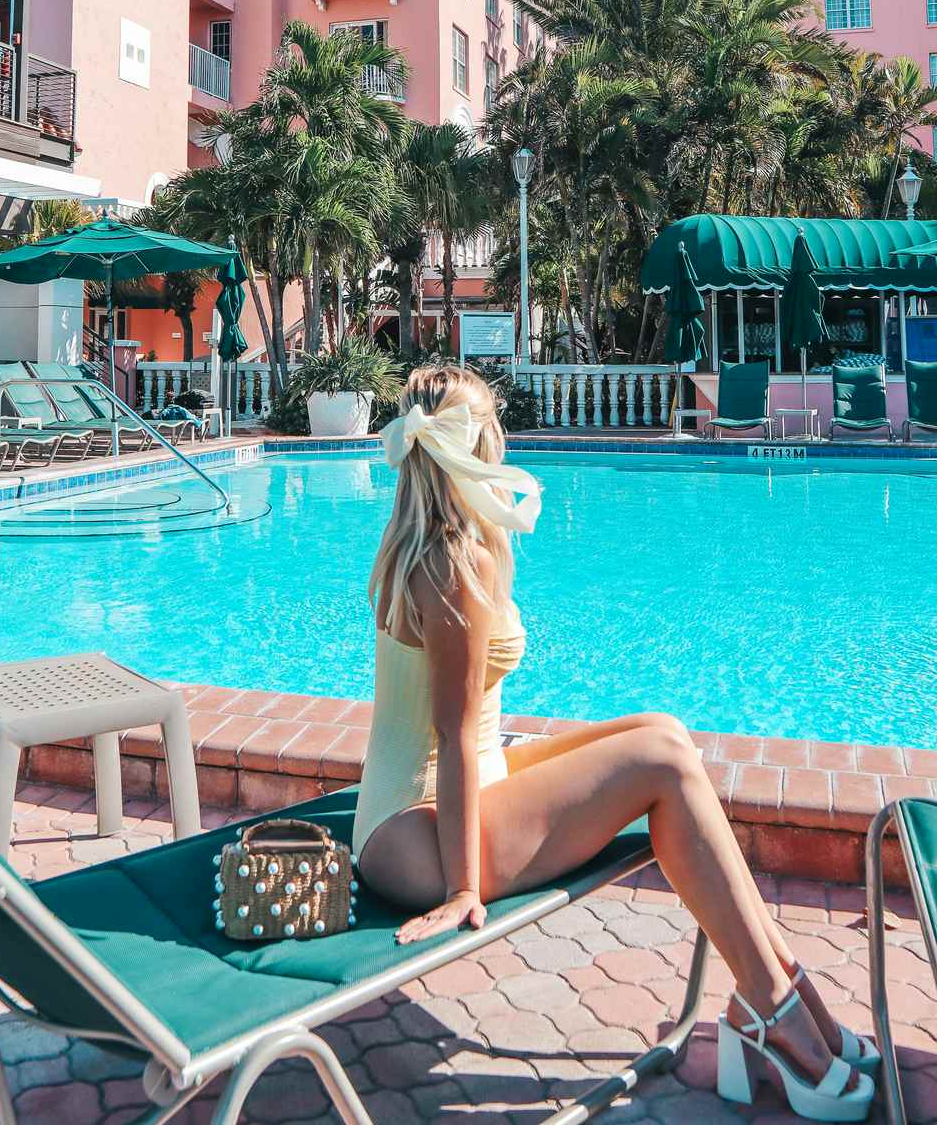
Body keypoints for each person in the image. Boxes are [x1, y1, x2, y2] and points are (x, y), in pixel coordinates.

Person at [353, 364, 876, 1121]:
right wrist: (465, 890)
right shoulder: (451, 567)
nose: (505, 447)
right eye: (493, 434)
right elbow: (454, 736)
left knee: (664, 734)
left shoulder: (432, 545)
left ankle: (780, 992)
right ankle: (776, 1010)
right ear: (472, 451)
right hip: (420, 835)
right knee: (662, 765)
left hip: (429, 801)